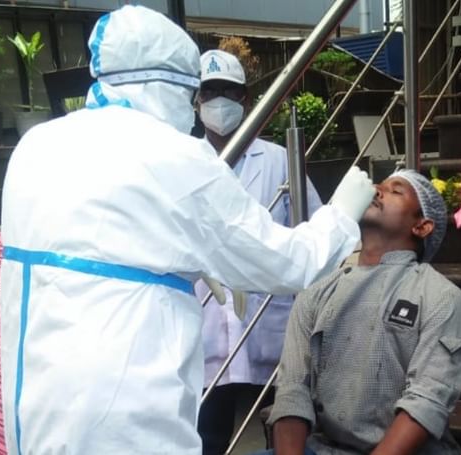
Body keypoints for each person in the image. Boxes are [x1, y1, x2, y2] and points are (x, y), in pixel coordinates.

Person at [0, 6, 376, 455]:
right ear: (175, 88)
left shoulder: (37, 145)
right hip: (122, 406)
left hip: (36, 400)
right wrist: (341, 216)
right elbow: (288, 263)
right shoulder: (175, 156)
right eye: (196, 93)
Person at [263, 170, 461, 455]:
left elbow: (426, 401)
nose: (375, 190)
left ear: (422, 226)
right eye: (378, 185)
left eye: (395, 190)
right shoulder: (315, 292)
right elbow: (292, 390)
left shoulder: (441, 297)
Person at [195, 49, 324, 455]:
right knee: (208, 436)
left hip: (270, 324)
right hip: (206, 327)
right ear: (196, 100)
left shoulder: (279, 160)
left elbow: (310, 229)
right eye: (209, 91)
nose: (218, 101)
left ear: (246, 99)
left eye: (228, 91)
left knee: (281, 428)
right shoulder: (185, 163)